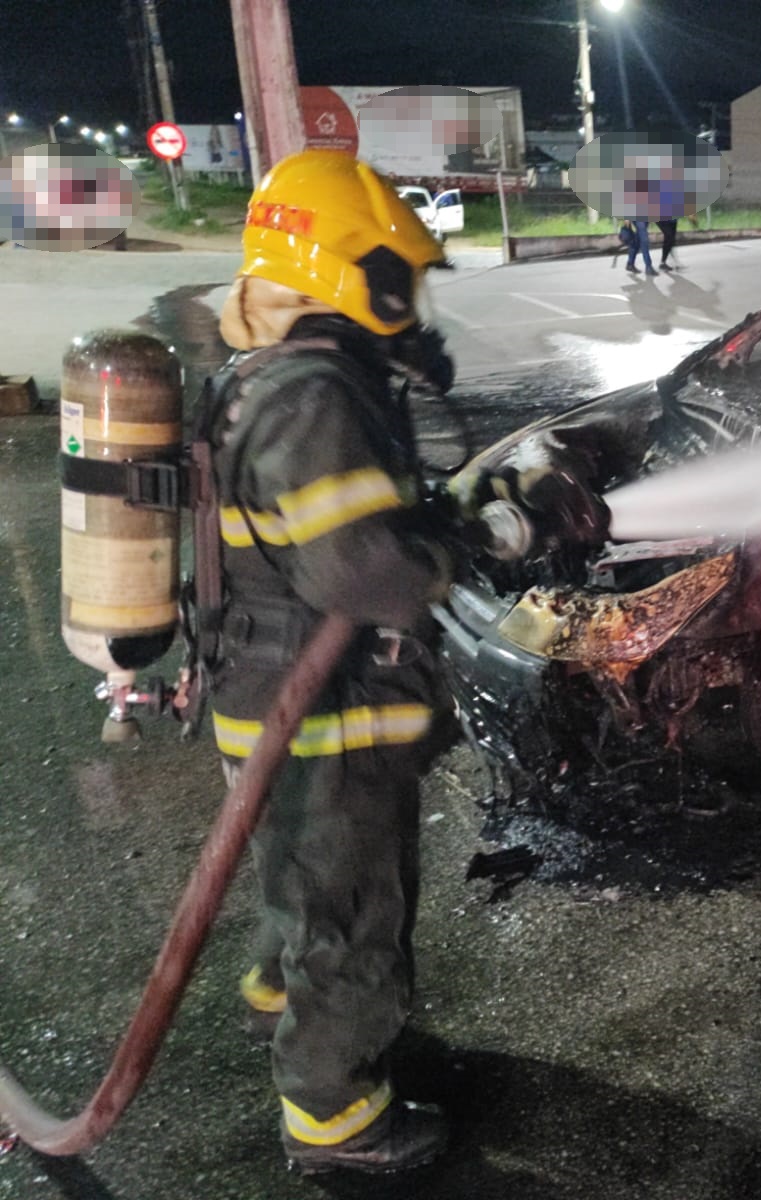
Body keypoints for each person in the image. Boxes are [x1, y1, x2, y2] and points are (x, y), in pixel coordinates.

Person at [200, 148, 458, 1175]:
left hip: (261, 701)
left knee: (302, 882)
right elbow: (362, 571)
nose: (411, 298)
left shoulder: (259, 369)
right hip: (323, 717)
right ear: (359, 271)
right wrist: (461, 551)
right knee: (354, 912)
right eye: (401, 275)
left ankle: (285, 1005)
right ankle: (335, 1113)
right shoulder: (313, 395)